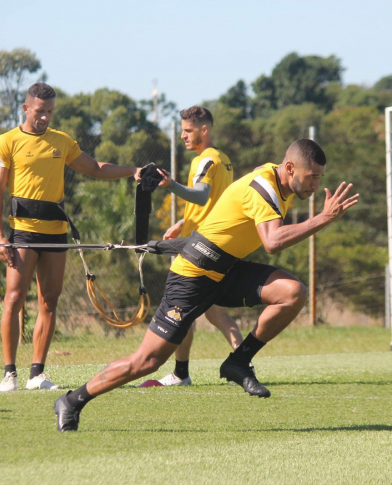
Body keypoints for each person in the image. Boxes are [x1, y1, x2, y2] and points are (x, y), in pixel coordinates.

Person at [54, 138, 359, 431]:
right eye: (312, 177)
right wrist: (323, 219)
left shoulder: (276, 178)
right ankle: (72, 400)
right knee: (147, 362)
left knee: (292, 292)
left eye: (320, 178)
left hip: (226, 269)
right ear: (290, 167)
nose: (316, 185)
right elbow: (273, 242)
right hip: (193, 276)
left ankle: (238, 361)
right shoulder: (265, 186)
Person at [0, 82, 140, 392]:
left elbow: (95, 168)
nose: (45, 117)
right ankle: (9, 374)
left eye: (50, 112)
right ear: (26, 109)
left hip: (55, 232)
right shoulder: (7, 142)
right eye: (40, 111)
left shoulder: (62, 141)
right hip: (22, 233)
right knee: (14, 298)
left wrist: (133, 170)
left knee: (49, 302)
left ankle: (37, 374)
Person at [154, 106, 242, 386]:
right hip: (214, 243)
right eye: (182, 130)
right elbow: (216, 203)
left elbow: (202, 197)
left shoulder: (204, 160)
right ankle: (244, 361)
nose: (183, 136)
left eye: (188, 130)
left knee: (182, 309)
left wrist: (171, 185)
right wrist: (184, 221)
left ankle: (181, 374)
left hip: (199, 248)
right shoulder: (224, 160)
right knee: (216, 312)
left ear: (204, 130)